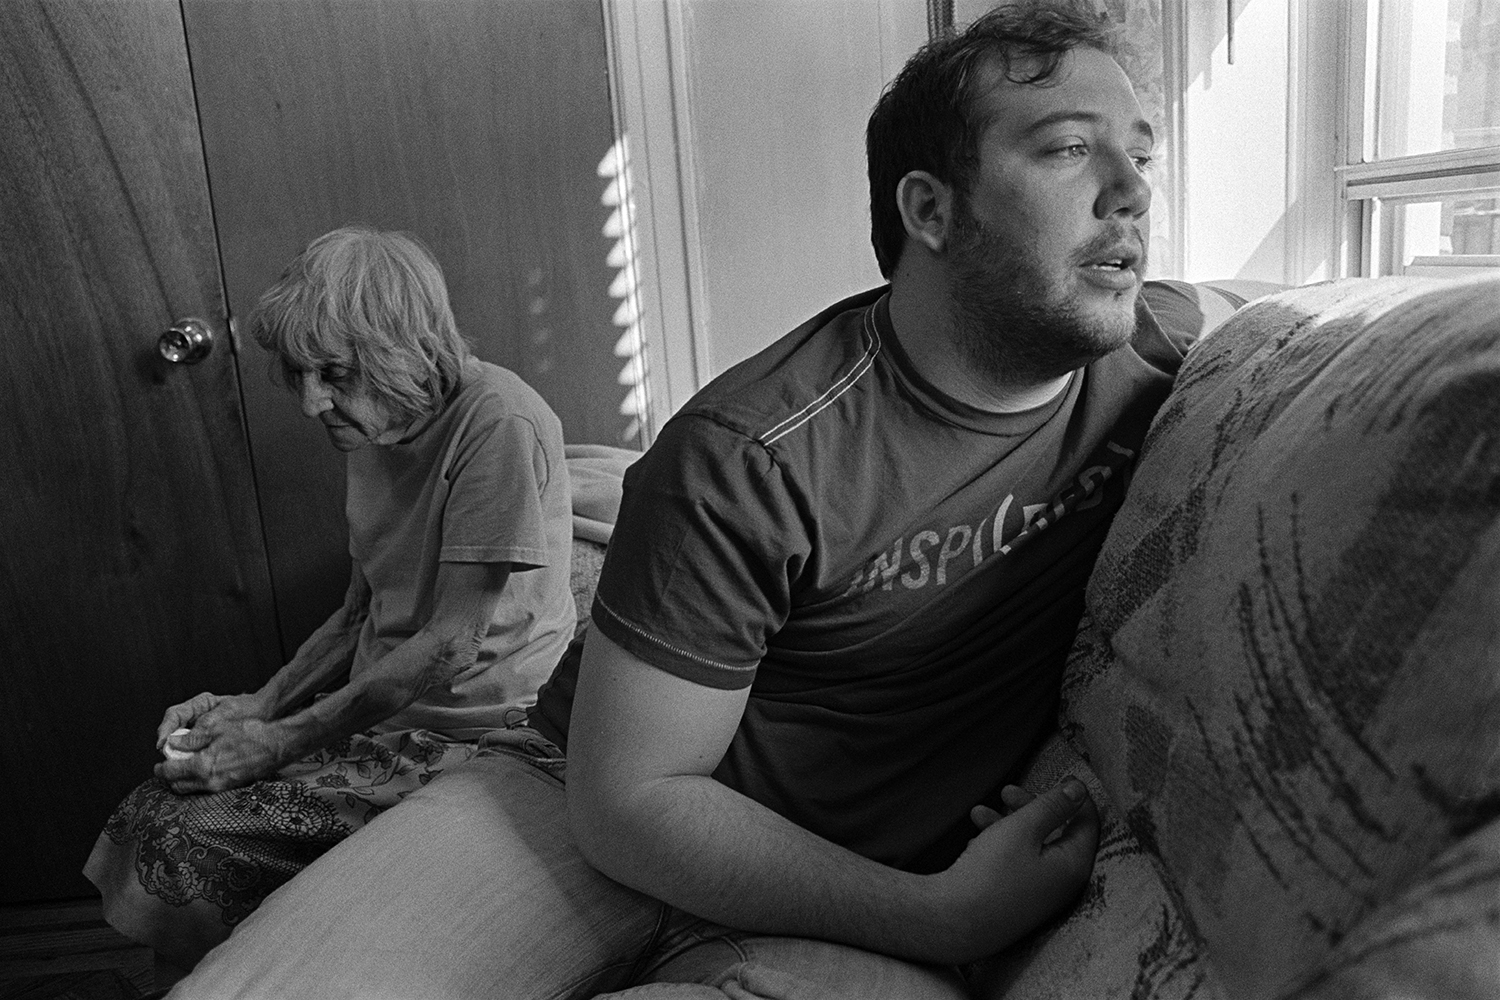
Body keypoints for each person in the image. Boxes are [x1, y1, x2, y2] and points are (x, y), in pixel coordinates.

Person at [168, 4, 1200, 997]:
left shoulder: (1172, 355)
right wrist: (947, 917)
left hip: (843, 895)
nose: (1130, 192)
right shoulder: (752, 452)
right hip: (573, 808)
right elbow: (627, 803)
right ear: (929, 209)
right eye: (1068, 149)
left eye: (1141, 154)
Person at [84, 226, 576, 966]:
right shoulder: (380, 420)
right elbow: (359, 611)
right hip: (389, 711)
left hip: (482, 733)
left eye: (334, 373)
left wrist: (280, 739)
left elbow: (452, 641)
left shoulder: (496, 423)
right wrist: (257, 705)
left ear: (401, 351)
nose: (312, 403)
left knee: (191, 836)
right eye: (299, 373)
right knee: (160, 803)